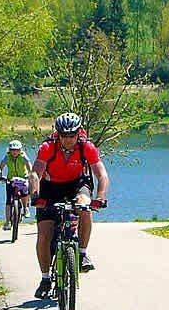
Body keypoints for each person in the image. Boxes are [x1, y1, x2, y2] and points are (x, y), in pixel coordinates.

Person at [28, 112, 110, 299]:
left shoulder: (86, 147)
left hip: (77, 184)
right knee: (44, 234)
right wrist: (35, 196)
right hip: (49, 186)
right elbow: (35, 173)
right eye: (64, 136)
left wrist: (101, 197)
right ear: (58, 134)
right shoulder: (48, 147)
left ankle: (81, 254)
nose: (68, 140)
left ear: (78, 133)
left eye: (72, 135)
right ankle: (45, 279)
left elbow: (102, 175)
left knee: (85, 207)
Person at [0, 140, 32, 230]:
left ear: (20, 150)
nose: (14, 152)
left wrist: (30, 174)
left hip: (23, 179)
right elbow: (0, 167)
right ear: (9, 150)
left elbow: (29, 165)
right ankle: (7, 221)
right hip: (11, 180)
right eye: (12, 150)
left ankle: (25, 208)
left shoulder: (23, 157)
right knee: (8, 201)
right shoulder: (7, 157)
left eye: (16, 150)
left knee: (25, 193)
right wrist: (0, 176)